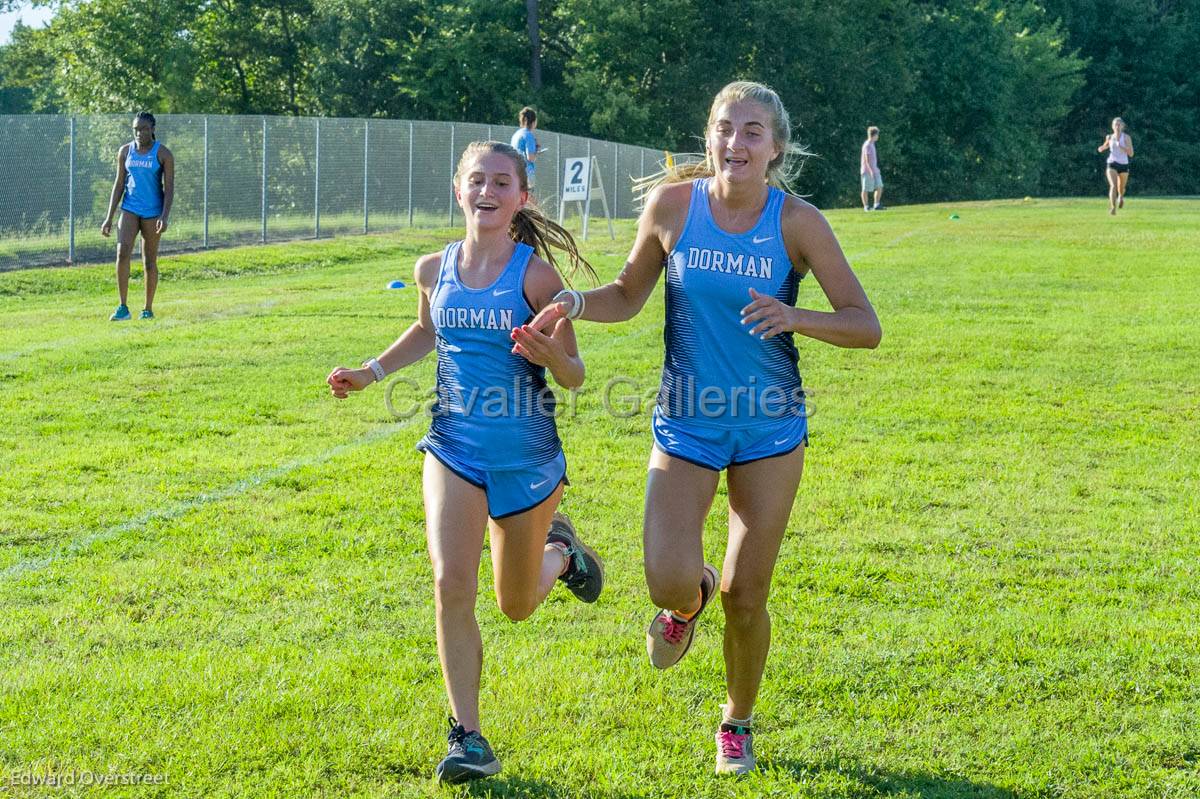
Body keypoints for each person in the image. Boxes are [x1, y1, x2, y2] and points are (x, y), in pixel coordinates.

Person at [528, 81, 882, 775]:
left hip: (769, 431)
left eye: (753, 131)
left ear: (775, 146)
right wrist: (572, 299)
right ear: (709, 135)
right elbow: (628, 294)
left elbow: (864, 324)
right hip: (686, 425)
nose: (736, 142)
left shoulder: (798, 223)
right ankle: (688, 603)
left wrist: (795, 316)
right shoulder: (673, 207)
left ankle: (737, 722)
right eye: (725, 128)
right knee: (666, 580)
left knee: (747, 597)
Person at [326, 141, 604, 784]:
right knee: (452, 582)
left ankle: (560, 551)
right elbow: (428, 330)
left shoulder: (537, 277)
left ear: (521, 198)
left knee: (513, 605)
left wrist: (547, 353)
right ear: (459, 190)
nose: (488, 191)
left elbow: (576, 374)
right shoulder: (433, 268)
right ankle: (469, 737)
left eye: (501, 182)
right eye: (476, 180)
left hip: (526, 457)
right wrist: (370, 372)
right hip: (452, 446)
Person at [100, 111, 174, 320]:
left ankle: (147, 309)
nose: (139, 133)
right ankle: (123, 307)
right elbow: (118, 185)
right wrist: (109, 217)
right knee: (122, 253)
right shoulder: (125, 152)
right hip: (130, 209)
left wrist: (164, 216)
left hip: (153, 213)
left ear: (152, 129)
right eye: (136, 129)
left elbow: (169, 189)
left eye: (144, 129)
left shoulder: (164, 154)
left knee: (149, 261)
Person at [1098, 117, 1134, 215]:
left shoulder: (1126, 138)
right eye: (1115, 124)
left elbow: (1131, 154)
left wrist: (1121, 145)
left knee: (1121, 188)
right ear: (1112, 126)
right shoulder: (1109, 137)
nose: (1117, 126)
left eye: (1119, 124)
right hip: (1112, 163)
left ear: (1123, 126)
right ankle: (1113, 208)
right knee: (1113, 186)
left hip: (1123, 164)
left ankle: (1121, 196)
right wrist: (1101, 148)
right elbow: (1106, 145)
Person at [510, 107, 541, 190]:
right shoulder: (528, 135)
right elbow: (530, 158)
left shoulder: (516, 135)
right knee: (529, 200)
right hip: (526, 172)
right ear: (534, 122)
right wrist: (537, 150)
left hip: (514, 171)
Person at [860, 126, 883, 211]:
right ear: (874, 135)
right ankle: (866, 206)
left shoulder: (872, 144)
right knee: (865, 189)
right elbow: (867, 160)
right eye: (877, 134)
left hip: (875, 170)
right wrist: (871, 171)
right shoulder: (867, 145)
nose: (878, 136)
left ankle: (876, 204)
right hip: (867, 171)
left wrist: (875, 170)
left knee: (879, 186)